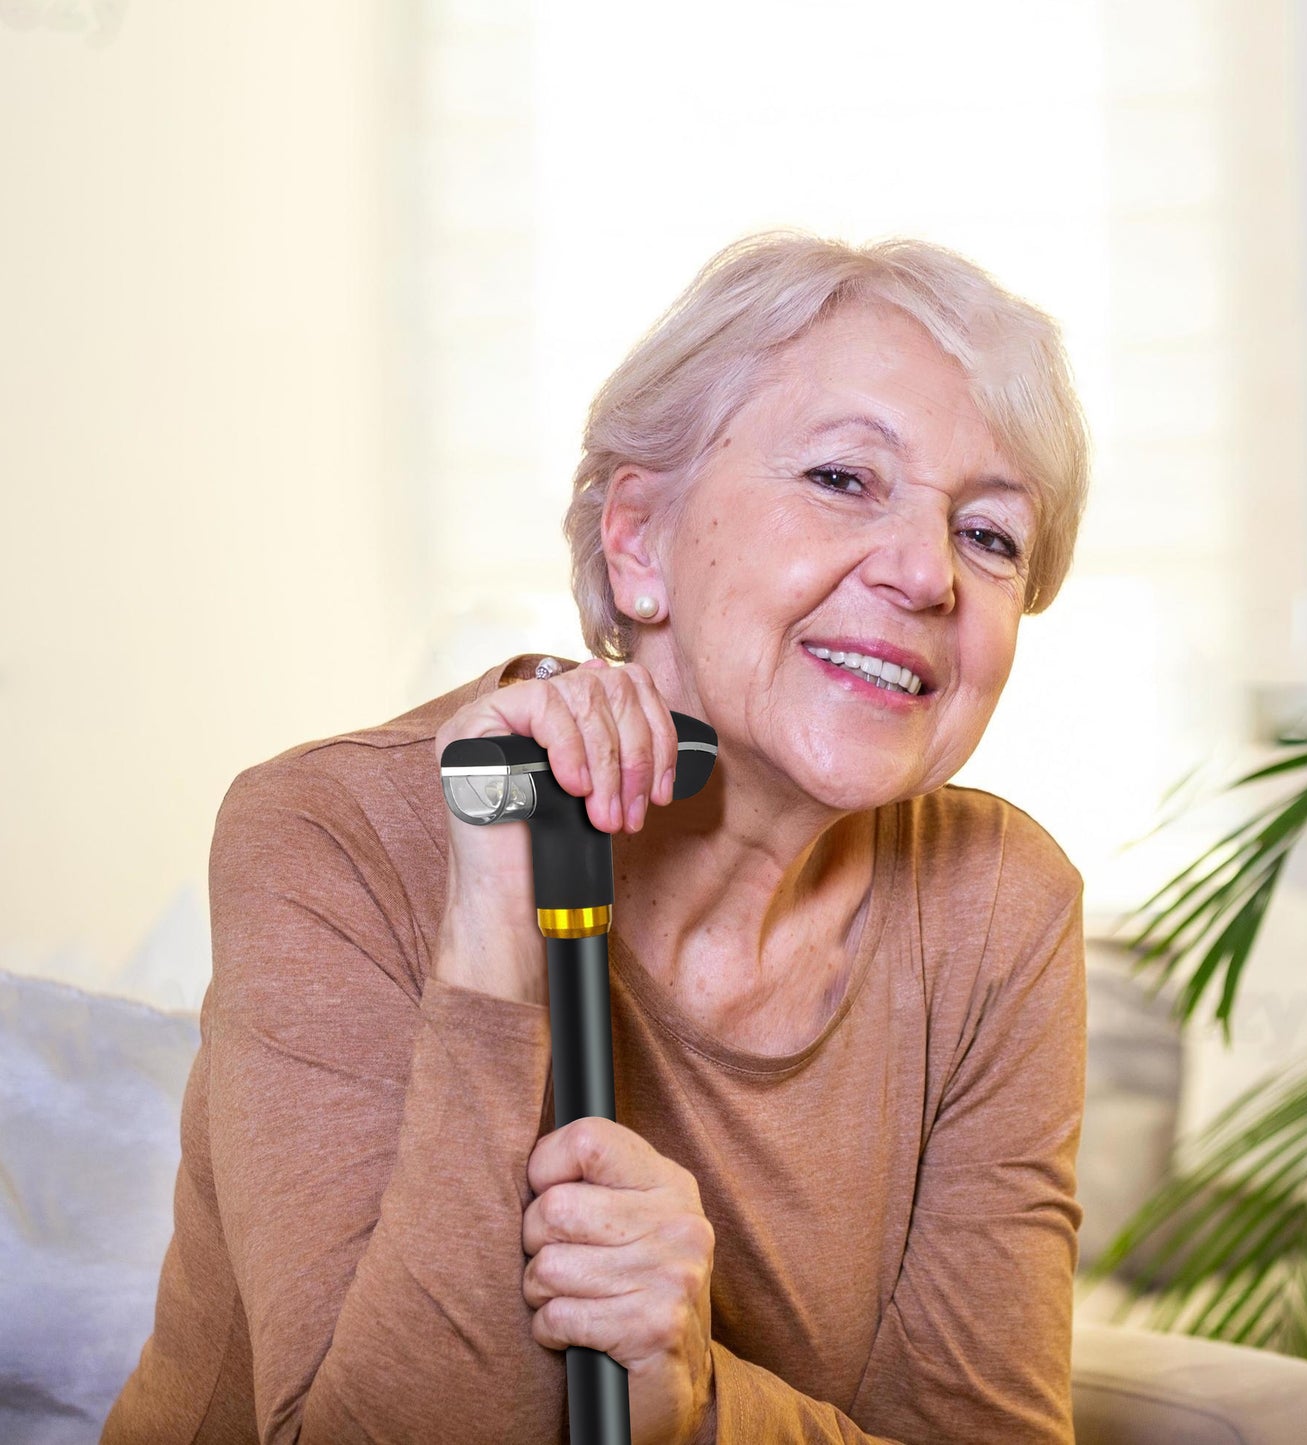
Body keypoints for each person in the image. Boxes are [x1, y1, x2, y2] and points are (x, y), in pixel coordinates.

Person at [102, 229, 1092, 1445]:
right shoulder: (331, 830)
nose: (927, 574)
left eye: (989, 534)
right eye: (843, 477)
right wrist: (491, 944)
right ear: (637, 540)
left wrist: (694, 1396)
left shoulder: (996, 903)